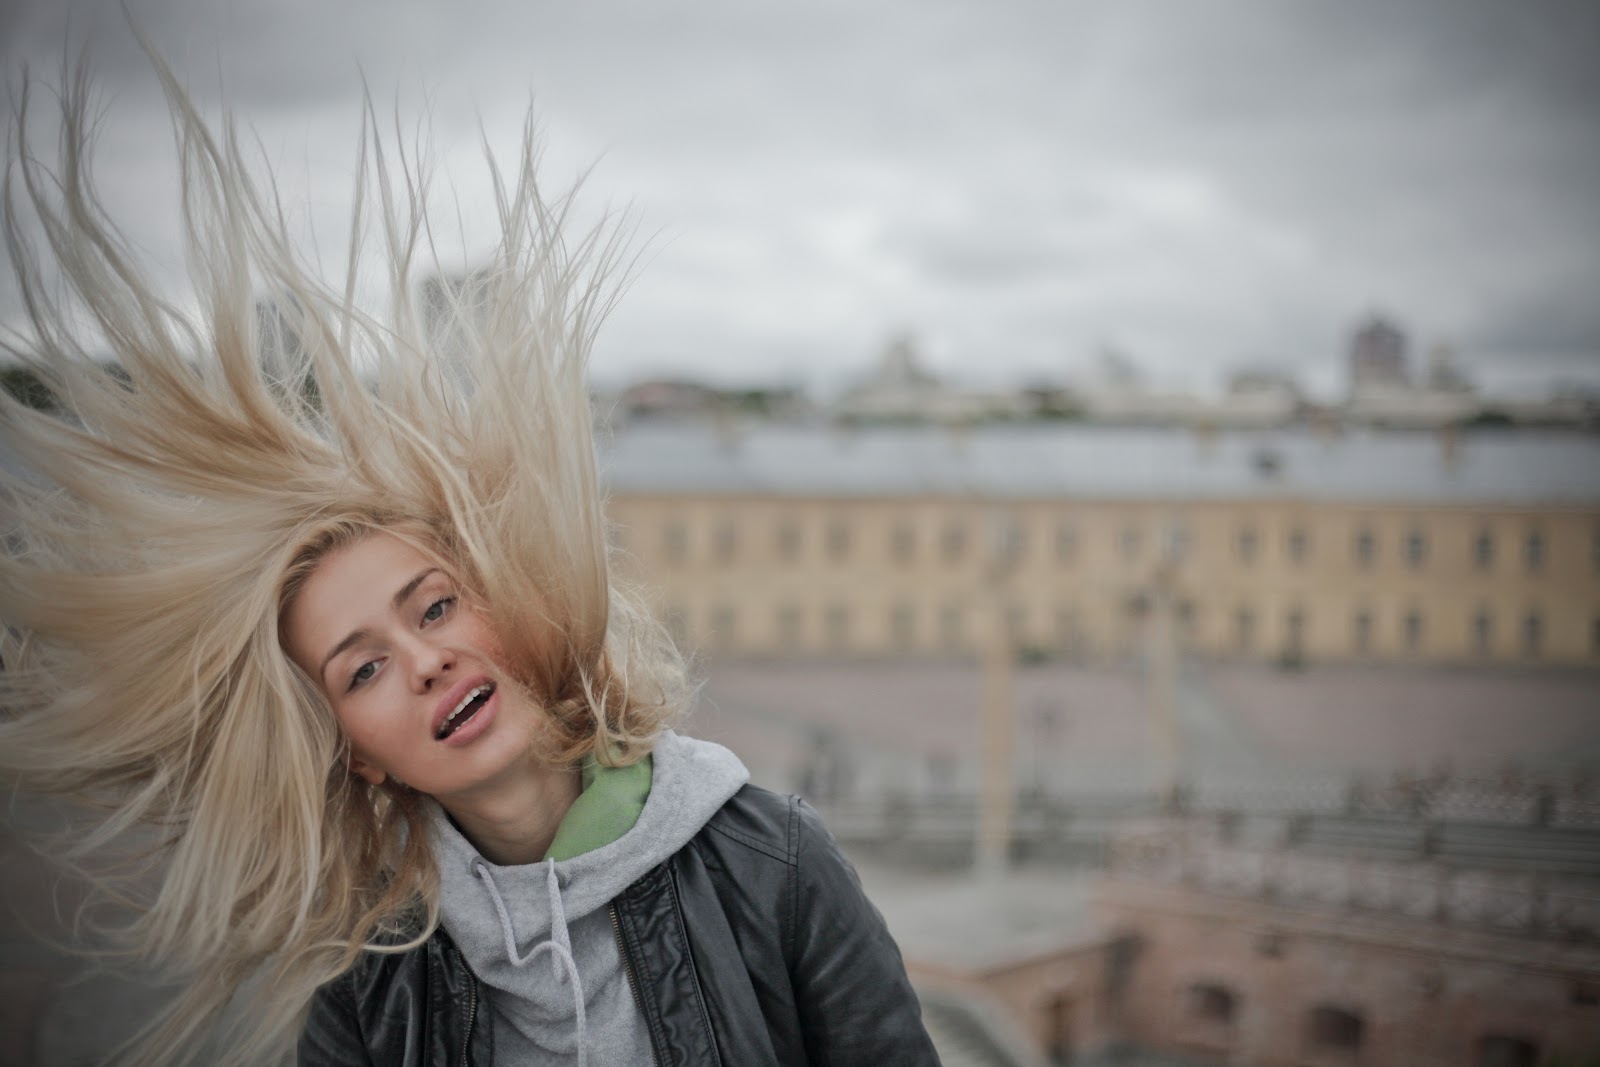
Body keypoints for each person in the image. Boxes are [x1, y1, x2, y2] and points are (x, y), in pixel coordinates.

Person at [0, 60, 940, 1067]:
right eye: (361, 667)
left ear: (509, 603)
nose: (422, 660)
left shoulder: (773, 861)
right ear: (356, 746)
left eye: (436, 606)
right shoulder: (367, 973)